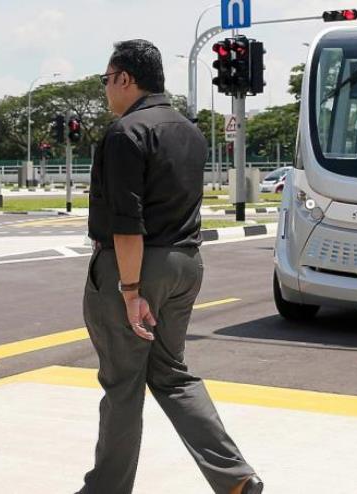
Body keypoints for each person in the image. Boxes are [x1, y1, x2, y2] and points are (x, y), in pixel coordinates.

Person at [78, 39, 262, 494]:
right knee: (171, 374)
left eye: (107, 80)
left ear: (125, 78)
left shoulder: (126, 132)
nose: (106, 90)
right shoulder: (189, 130)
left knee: (123, 384)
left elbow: (127, 220)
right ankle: (235, 477)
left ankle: (105, 489)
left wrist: (129, 289)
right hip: (187, 263)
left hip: (140, 267)